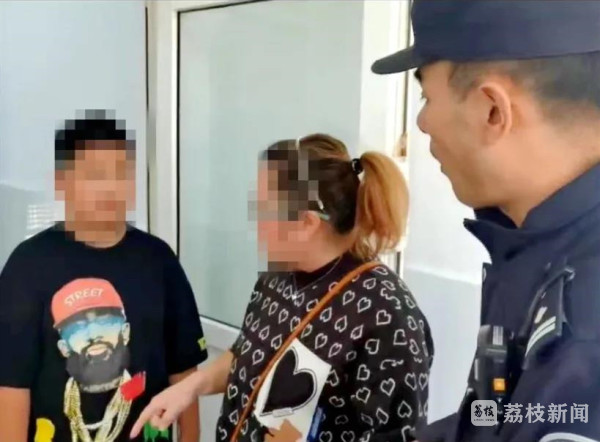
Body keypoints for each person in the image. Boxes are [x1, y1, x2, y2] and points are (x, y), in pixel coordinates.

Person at [371, 1, 600, 441]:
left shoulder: (586, 325)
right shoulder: (533, 249)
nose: (422, 123)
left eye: (426, 97)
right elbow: (484, 422)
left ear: (492, 109)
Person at [130, 134, 434, 442]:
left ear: (307, 222)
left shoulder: (387, 316)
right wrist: (193, 386)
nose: (256, 223)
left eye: (265, 210)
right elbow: (250, 355)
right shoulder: (276, 279)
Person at [0, 110, 208, 442]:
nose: (110, 188)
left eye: (121, 173)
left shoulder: (159, 261)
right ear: (62, 182)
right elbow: (11, 385)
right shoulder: (27, 267)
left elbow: (183, 372)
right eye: (95, 175)